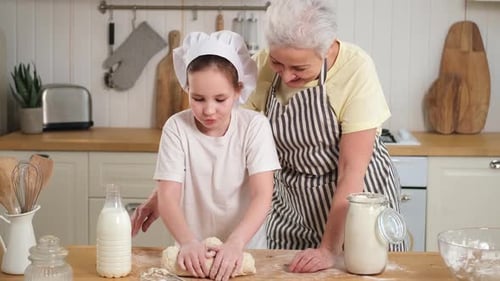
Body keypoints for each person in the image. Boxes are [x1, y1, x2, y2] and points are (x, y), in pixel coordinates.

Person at [132, 0, 405, 274]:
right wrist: (163, 195)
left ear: (325, 49)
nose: (286, 75)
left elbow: (351, 170)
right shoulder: (261, 65)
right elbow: (228, 128)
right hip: (293, 202)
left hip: (353, 203)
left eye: (299, 68)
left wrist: (329, 248)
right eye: (278, 62)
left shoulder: (354, 68)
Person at [145, 30, 280, 281]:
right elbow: (168, 195)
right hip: (192, 253)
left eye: (220, 99)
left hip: (245, 249)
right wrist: (187, 241)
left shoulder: (254, 127)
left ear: (238, 90)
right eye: (197, 98)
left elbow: (263, 194)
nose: (209, 110)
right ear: (187, 88)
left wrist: (235, 243)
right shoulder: (176, 128)